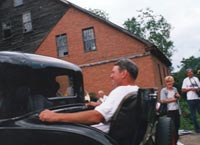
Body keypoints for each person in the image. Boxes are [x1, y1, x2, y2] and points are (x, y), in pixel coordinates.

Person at [39, 58, 139, 133]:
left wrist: (55, 116)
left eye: (113, 72)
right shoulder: (137, 91)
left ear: (124, 74)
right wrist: (97, 105)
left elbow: (96, 117)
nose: (111, 76)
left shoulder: (120, 91)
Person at [160, 76, 181, 143]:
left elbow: (178, 97)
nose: (169, 83)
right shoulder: (163, 90)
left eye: (170, 81)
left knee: (177, 126)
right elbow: (162, 101)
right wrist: (173, 99)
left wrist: (178, 96)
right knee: (172, 128)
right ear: (166, 83)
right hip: (169, 111)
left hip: (176, 110)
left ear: (173, 82)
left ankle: (176, 141)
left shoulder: (175, 89)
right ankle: (172, 142)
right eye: (167, 82)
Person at [182, 68, 200, 133]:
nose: (190, 73)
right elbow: (183, 90)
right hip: (190, 99)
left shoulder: (196, 79)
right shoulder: (185, 80)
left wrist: (197, 89)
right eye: (189, 72)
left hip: (198, 98)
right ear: (187, 73)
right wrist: (190, 89)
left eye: (191, 72)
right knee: (193, 115)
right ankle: (197, 129)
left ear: (193, 72)